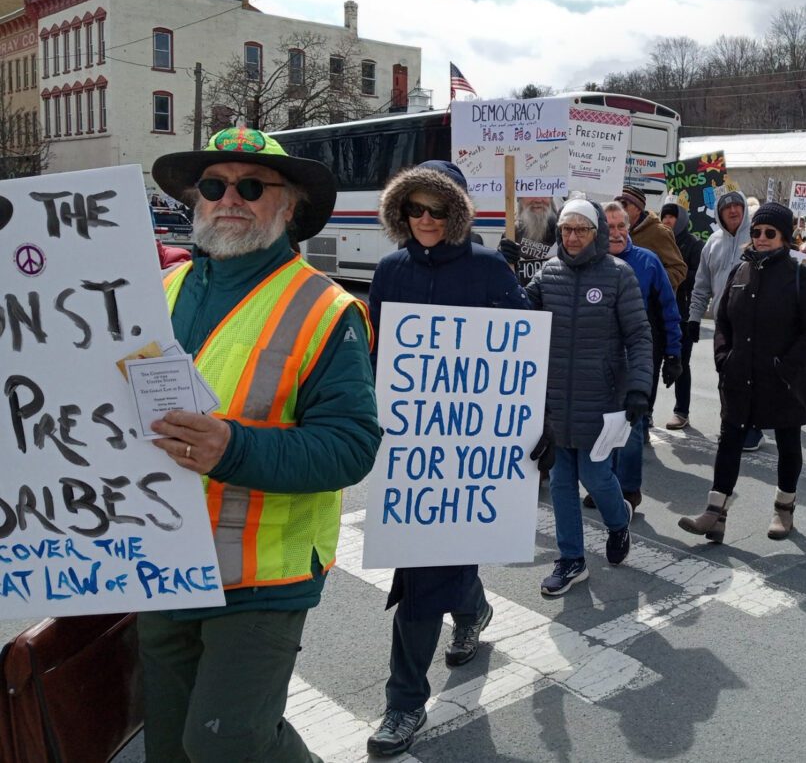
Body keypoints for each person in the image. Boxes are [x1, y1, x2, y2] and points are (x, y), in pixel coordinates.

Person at [143, 126, 381, 762]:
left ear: (290, 206)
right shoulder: (157, 293)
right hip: (161, 561)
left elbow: (352, 447)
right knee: (166, 743)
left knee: (228, 743)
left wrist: (231, 447)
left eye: (252, 186)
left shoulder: (328, 309)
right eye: (214, 185)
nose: (230, 198)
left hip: (263, 574)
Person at [364, 160, 538, 757]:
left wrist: (536, 423)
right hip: (410, 451)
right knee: (420, 574)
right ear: (401, 212)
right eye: (415, 208)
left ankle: (463, 619)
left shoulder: (490, 269)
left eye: (438, 209)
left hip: (472, 452)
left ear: (457, 213)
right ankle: (408, 697)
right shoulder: (390, 270)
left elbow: (522, 357)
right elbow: (377, 354)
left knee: (442, 562)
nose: (426, 219)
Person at [678, 203, 806, 542]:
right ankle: (715, 513)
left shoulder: (800, 275)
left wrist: (785, 366)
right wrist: (723, 358)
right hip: (740, 375)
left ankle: (784, 508)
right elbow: (723, 321)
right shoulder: (740, 272)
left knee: (788, 442)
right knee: (729, 440)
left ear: (784, 237)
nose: (761, 237)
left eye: (770, 232)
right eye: (756, 231)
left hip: (782, 380)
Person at [526, 199, 652, 596]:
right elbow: (518, 312)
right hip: (556, 399)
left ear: (596, 233)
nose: (573, 237)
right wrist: (502, 270)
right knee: (562, 481)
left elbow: (639, 335)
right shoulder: (548, 273)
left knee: (596, 475)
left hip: (602, 399)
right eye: (566, 229)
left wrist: (639, 387)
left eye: (581, 229)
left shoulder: (618, 274)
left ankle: (618, 522)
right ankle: (571, 560)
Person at [601, 201, 682, 508]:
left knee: (631, 426)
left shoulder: (648, 261)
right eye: (609, 227)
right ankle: (605, 485)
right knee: (602, 425)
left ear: (629, 227)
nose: (616, 232)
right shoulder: (590, 261)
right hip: (598, 358)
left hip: (636, 356)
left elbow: (668, 309)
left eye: (621, 226)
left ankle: (628, 491)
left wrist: (673, 354)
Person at [687, 191, 759, 450]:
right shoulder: (712, 243)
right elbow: (701, 285)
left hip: (753, 323)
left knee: (751, 377)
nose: (733, 210)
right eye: (727, 207)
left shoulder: (757, 238)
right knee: (726, 375)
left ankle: (752, 427)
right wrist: (694, 318)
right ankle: (730, 422)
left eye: (738, 205)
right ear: (719, 214)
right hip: (723, 323)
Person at [661, 201, 705, 430]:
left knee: (680, 363)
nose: (667, 221)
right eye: (664, 216)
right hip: (658, 311)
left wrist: (673, 273)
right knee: (651, 362)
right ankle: (646, 412)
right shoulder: (658, 241)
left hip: (682, 313)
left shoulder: (693, 244)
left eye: (672, 216)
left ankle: (681, 411)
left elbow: (700, 276)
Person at [616, 185, 687, 291]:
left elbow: (678, 270)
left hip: (645, 299)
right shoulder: (612, 231)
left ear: (638, 209)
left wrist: (650, 281)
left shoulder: (658, 232)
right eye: (615, 204)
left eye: (623, 204)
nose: (618, 209)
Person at [497, 196, 558, 286]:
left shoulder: (564, 232)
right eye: (531, 194)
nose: (538, 200)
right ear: (519, 199)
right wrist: (500, 259)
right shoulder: (512, 233)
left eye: (544, 194)